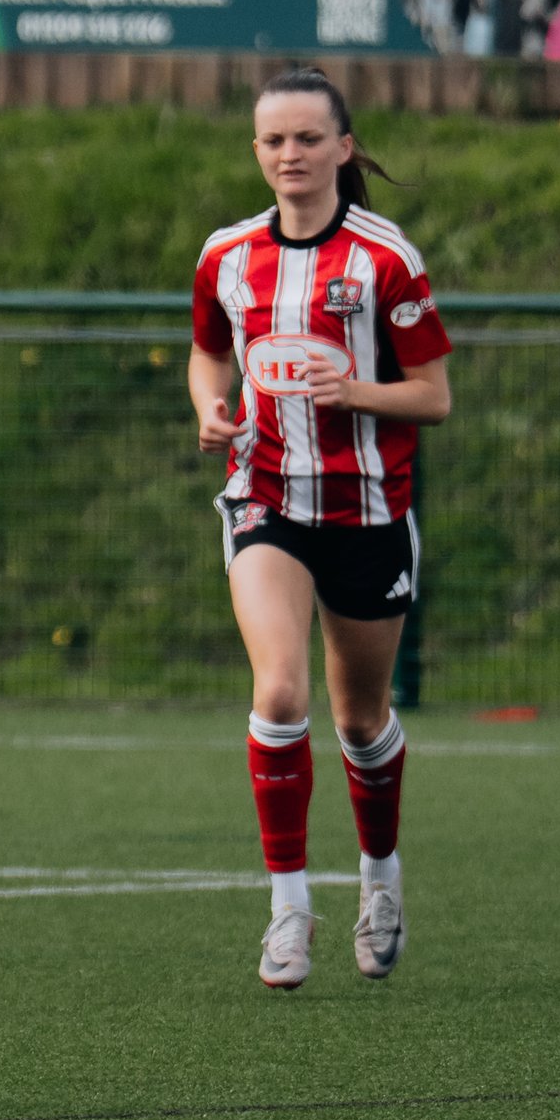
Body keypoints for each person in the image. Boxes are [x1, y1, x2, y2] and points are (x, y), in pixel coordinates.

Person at [187, 68, 453, 990]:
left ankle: (380, 879)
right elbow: (208, 351)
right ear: (256, 151)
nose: (289, 155)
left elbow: (434, 396)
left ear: (344, 147)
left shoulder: (385, 258)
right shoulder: (226, 254)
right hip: (266, 497)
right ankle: (289, 907)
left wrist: (357, 391)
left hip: (367, 510)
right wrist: (209, 406)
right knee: (279, 691)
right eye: (273, 140)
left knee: (361, 718)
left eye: (307, 138)